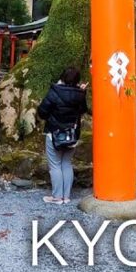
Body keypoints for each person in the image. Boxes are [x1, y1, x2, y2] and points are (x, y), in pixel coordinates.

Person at [37, 67, 88, 205]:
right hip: (72, 134)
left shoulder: (54, 91)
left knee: (55, 165)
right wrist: (82, 92)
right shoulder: (80, 94)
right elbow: (83, 110)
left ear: (63, 77)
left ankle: (57, 197)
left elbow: (42, 112)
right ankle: (66, 197)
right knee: (66, 163)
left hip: (54, 133)